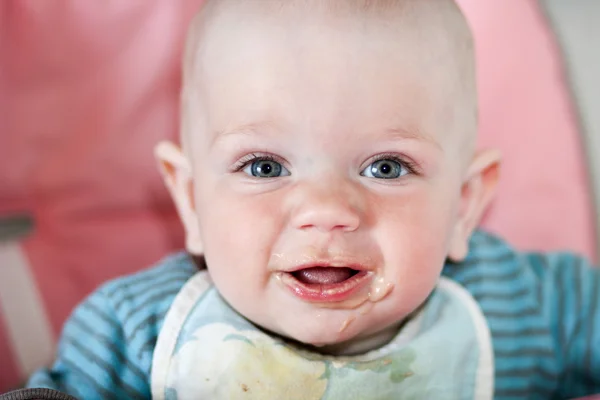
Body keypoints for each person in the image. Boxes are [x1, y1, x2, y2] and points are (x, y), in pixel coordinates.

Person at [23, 0, 600, 399]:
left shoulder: (523, 306)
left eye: (386, 167)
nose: (326, 209)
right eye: (265, 166)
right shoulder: (140, 335)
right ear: (192, 201)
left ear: (465, 205)